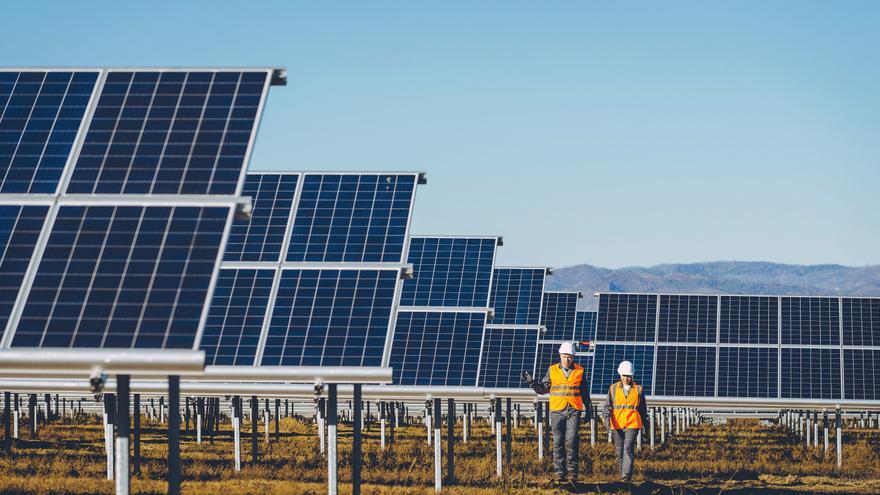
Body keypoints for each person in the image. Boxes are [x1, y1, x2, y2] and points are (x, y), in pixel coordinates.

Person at [523, 342, 592, 484]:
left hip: (574, 409)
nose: (567, 359)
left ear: (573, 357)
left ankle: (573, 472)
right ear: (560, 356)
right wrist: (532, 383)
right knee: (558, 441)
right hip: (557, 410)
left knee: (572, 440)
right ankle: (560, 473)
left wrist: (589, 409)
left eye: (570, 356)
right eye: (565, 356)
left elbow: (584, 392)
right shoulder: (552, 370)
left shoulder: (580, 371)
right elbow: (543, 389)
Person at [603, 360, 648, 483]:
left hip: (633, 423)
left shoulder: (638, 389)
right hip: (617, 423)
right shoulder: (613, 389)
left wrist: (646, 426)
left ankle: (625, 478)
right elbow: (607, 406)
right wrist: (606, 421)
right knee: (619, 451)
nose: (626, 378)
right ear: (620, 375)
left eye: (628, 376)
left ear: (632, 376)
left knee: (628, 449)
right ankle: (623, 475)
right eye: (624, 375)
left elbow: (643, 409)